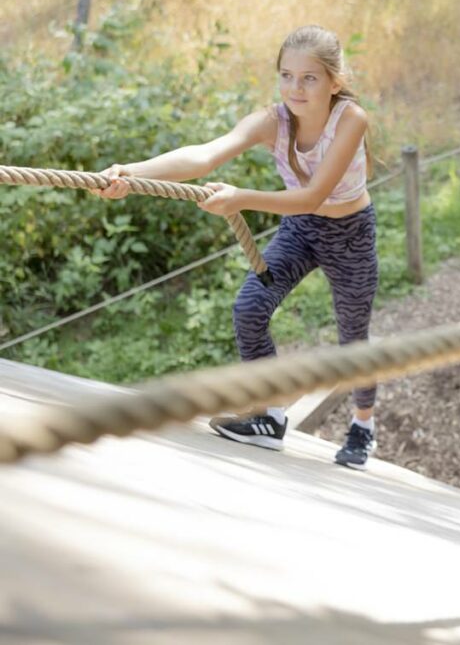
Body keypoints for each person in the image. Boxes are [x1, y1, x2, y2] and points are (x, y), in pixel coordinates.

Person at [90, 25, 380, 470]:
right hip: (301, 230)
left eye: (309, 78)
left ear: (333, 82)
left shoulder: (351, 119)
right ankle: (269, 414)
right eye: (286, 75)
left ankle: (363, 425)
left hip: (350, 233)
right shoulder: (273, 120)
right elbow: (205, 155)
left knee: (353, 335)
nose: (295, 88)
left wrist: (241, 198)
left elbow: (313, 195)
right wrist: (129, 174)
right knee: (249, 307)